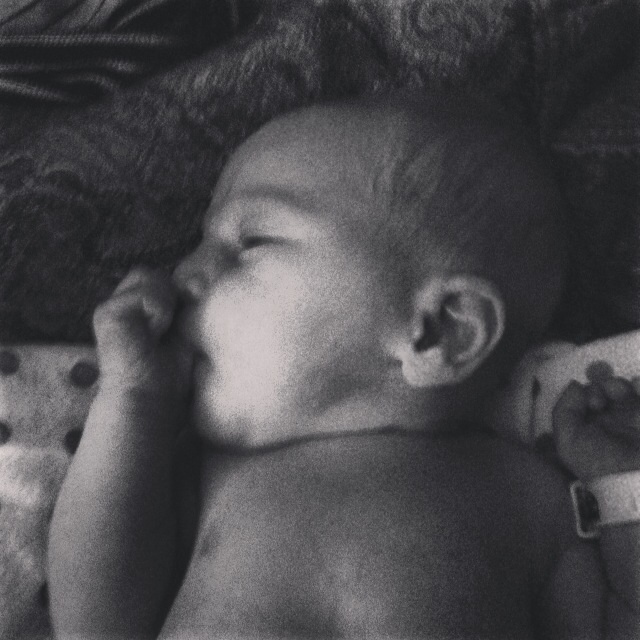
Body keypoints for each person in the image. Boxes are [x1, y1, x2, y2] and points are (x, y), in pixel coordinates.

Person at [48, 94, 640, 639]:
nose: (183, 273)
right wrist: (133, 401)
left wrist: (621, 485)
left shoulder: (526, 496)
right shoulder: (202, 473)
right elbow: (94, 626)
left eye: (252, 241)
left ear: (440, 331)